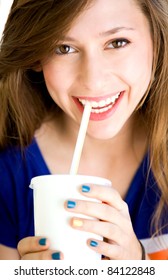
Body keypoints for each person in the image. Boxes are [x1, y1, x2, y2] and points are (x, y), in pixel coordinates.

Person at [0, 0, 168, 260]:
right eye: (64, 48)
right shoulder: (9, 176)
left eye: (117, 42)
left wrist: (140, 268)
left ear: (157, 41)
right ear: (36, 56)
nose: (93, 80)